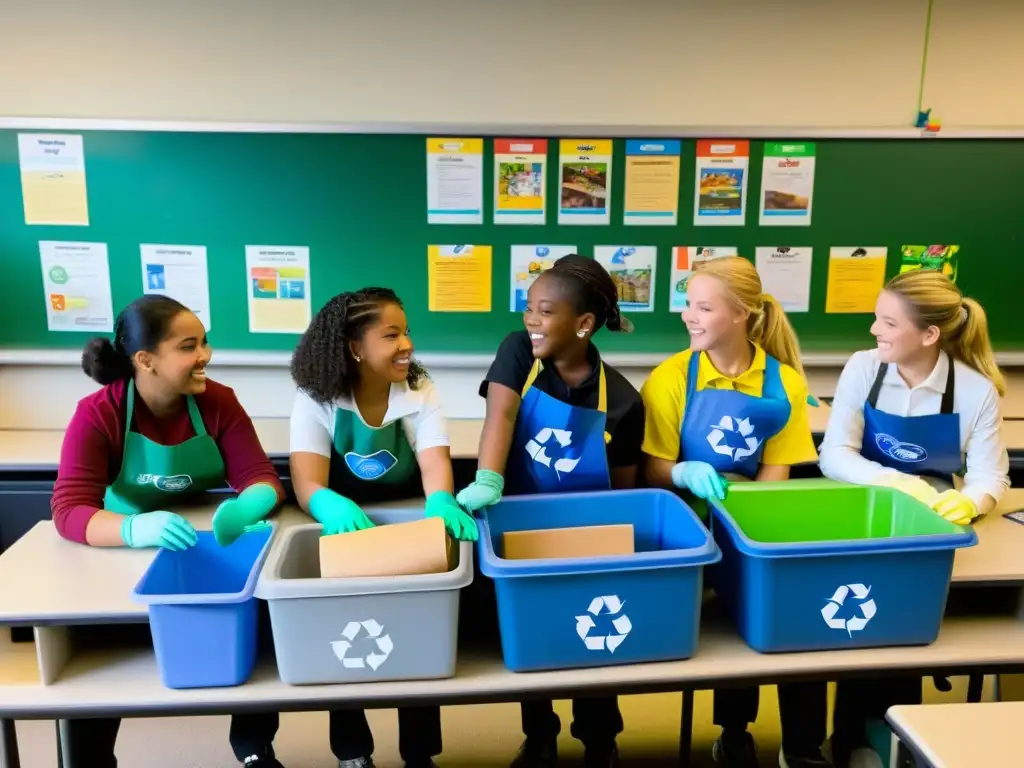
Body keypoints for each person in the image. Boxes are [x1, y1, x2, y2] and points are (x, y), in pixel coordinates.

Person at [51, 295, 286, 767]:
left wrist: (248, 507)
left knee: (257, 624)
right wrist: (137, 529)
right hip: (122, 550)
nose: (206, 355)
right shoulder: (101, 412)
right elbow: (69, 509)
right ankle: (92, 758)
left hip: (202, 547)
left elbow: (259, 477)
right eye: (189, 346)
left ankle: (255, 749)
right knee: (98, 655)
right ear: (146, 360)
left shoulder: (216, 401)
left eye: (205, 342)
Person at [457, 254, 645, 768]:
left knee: (595, 634)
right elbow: (501, 412)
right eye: (529, 308)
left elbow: (625, 488)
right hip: (520, 523)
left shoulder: (624, 401)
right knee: (534, 633)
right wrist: (488, 478)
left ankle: (600, 740)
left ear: (584, 324)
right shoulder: (520, 352)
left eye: (544, 311)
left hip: (589, 534)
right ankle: (539, 736)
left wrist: (615, 545)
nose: (530, 320)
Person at [639, 256, 826, 768]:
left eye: (704, 307)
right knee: (723, 625)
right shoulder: (672, 377)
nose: (688, 317)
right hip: (690, 529)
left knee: (788, 609)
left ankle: (805, 747)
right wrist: (685, 473)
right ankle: (735, 731)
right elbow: (656, 469)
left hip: (753, 521)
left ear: (743, 313)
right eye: (688, 305)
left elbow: (778, 468)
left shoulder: (783, 382)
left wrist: (748, 524)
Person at [819, 269, 1009, 767]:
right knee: (857, 623)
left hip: (930, 528)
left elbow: (992, 477)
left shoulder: (975, 390)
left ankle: (892, 735)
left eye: (887, 322)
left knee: (905, 626)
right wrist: (898, 483)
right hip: (865, 516)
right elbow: (835, 455)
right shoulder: (864, 368)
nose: (873, 331)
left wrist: (972, 503)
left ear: (929, 335)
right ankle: (850, 739)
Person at [289, 287, 476, 768]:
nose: (407, 344)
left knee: (416, 635)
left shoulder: (418, 389)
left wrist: (440, 498)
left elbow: (435, 464)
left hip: (408, 525)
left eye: (407, 331)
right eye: (391, 334)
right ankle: (353, 753)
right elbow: (308, 482)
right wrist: (328, 504)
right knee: (346, 640)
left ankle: (419, 754)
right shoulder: (317, 396)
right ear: (355, 347)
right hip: (348, 531)